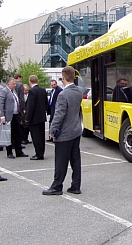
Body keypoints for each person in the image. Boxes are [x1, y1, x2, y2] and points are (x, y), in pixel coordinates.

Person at [42, 66, 84, 195]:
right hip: (76, 130)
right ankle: (75, 186)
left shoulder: (63, 94)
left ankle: (57, 186)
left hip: (64, 133)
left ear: (63, 77)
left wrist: (53, 129)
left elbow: (59, 114)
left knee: (61, 160)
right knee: (75, 159)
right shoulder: (79, 91)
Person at [0, 78, 29, 159]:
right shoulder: (4, 91)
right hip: (8, 116)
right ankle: (9, 152)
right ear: (8, 84)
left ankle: (19, 151)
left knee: (18, 133)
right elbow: (0, 104)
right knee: (9, 134)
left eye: (15, 84)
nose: (14, 85)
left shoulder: (13, 91)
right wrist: (2, 116)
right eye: (13, 84)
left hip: (16, 115)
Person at [25, 75, 48, 160]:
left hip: (34, 118)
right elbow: (46, 103)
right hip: (41, 116)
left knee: (36, 137)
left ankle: (38, 153)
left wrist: (27, 118)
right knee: (42, 136)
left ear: (30, 81)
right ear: (37, 81)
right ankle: (41, 152)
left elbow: (31, 106)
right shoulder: (43, 90)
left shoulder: (32, 91)